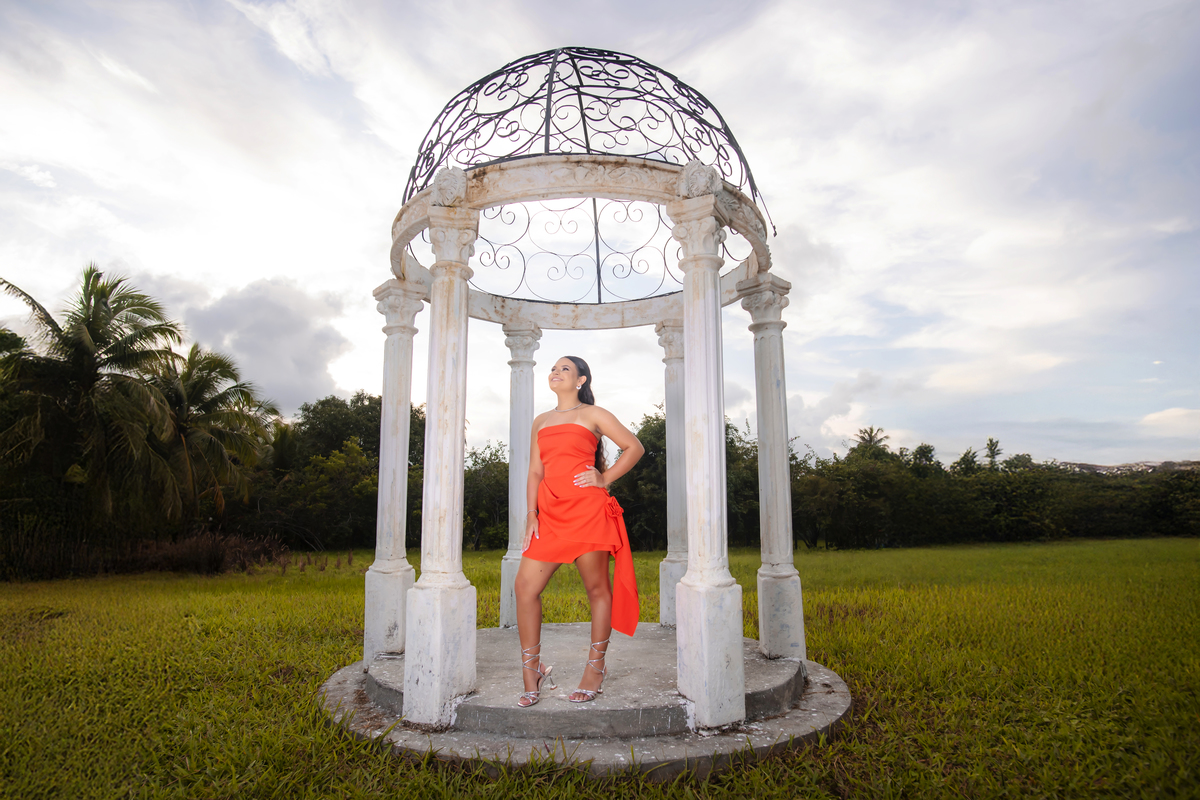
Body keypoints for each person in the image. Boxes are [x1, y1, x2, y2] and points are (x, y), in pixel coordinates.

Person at [514, 356, 644, 707]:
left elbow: (634, 447)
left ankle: (595, 669)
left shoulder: (593, 414)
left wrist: (605, 478)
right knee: (525, 587)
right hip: (549, 515)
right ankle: (531, 670)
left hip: (588, 512)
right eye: (553, 369)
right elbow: (535, 472)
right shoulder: (541, 421)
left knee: (597, 589)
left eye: (565, 369)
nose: (555, 373)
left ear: (581, 380)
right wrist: (531, 514)